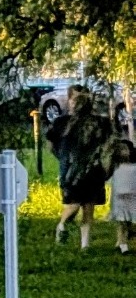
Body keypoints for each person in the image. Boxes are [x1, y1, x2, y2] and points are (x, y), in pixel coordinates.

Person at [52, 85, 112, 250]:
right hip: (72, 170)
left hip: (93, 168)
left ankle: (85, 244)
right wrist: (64, 158)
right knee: (74, 203)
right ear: (69, 100)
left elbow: (107, 145)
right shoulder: (61, 122)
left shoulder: (100, 122)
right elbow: (53, 144)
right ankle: (62, 225)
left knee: (88, 206)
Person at [111, 132, 136, 257]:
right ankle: (122, 244)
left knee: (125, 222)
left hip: (127, 199)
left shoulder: (129, 167)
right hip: (124, 199)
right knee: (123, 221)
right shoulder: (116, 166)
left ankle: (123, 241)